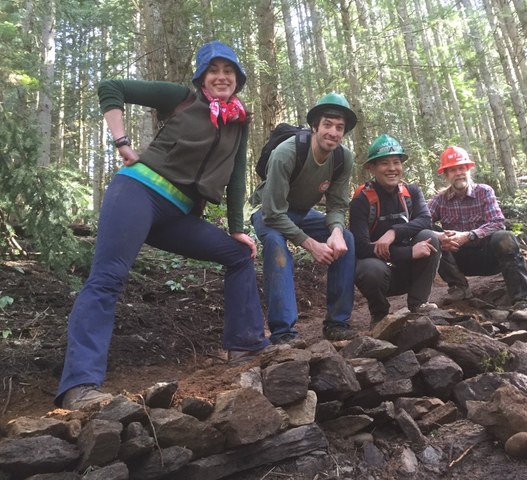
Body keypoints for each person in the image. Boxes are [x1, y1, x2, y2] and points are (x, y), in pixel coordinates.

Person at [55, 40, 271, 410]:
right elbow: (111, 86)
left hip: (179, 214)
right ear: (202, 77)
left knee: (238, 255)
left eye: (228, 71)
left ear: (238, 79)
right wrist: (122, 142)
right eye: (213, 71)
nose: (221, 77)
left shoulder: (239, 120)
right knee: (107, 278)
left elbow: (235, 175)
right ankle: (80, 386)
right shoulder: (180, 98)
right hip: (138, 192)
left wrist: (237, 227)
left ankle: (245, 346)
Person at [250, 93, 358, 345]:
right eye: (328, 125)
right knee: (277, 244)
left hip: (301, 212)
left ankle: (337, 323)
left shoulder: (344, 158)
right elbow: (273, 213)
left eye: (339, 127)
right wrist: (311, 244)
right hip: (268, 211)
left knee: (348, 240)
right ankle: (283, 333)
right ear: (315, 127)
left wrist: (336, 232)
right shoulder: (286, 153)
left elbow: (337, 205)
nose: (333, 132)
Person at [428, 146, 527, 315]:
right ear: (446, 175)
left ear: (468, 169)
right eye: (453, 170)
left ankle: (522, 303)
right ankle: (459, 287)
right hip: (458, 259)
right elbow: (419, 223)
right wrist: (439, 236)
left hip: (489, 258)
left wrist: (469, 235)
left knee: (505, 237)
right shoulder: (439, 200)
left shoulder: (484, 191)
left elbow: (498, 222)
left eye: (461, 168)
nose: (458, 173)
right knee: (429, 233)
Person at [350, 135, 442, 326]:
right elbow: (360, 247)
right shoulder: (361, 201)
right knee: (368, 269)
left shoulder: (412, 192)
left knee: (429, 237)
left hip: (408, 269)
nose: (392, 168)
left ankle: (418, 304)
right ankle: (380, 314)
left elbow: (426, 220)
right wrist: (409, 252)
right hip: (380, 273)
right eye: (384, 163)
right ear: (371, 168)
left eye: (396, 162)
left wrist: (393, 232)